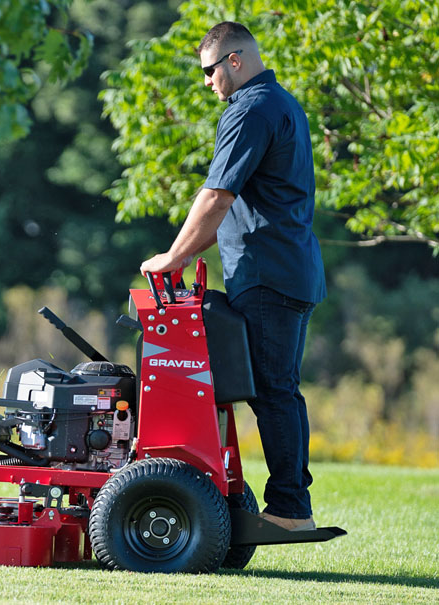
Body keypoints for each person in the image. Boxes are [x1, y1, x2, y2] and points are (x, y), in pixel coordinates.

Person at [139, 21, 326, 531]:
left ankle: (290, 510)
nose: (207, 82)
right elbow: (228, 203)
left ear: (235, 61)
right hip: (290, 271)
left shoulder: (250, 109)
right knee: (278, 390)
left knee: (273, 393)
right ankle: (283, 505)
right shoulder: (283, 102)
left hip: (268, 275)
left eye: (209, 71)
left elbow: (217, 195)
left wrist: (174, 257)